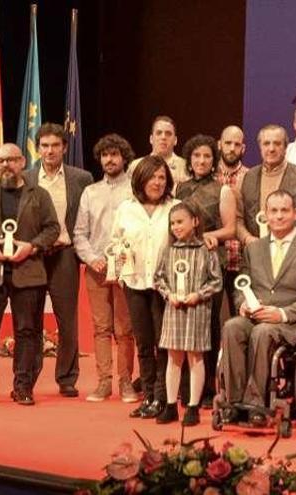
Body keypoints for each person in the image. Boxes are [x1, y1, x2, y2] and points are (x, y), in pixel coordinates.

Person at [0, 143, 60, 406]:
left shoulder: (38, 195)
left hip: (28, 273)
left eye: (12, 160)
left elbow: (52, 228)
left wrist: (32, 246)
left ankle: (23, 386)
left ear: (22, 162)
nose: (6, 165)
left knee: (27, 331)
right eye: (1, 160)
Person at [220, 190, 296, 426]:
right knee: (231, 327)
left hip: (290, 324)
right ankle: (234, 403)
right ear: (265, 215)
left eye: (284, 211)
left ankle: (257, 405)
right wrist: (243, 306)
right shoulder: (253, 248)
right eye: (274, 211)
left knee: (263, 332)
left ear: (295, 214)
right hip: (255, 316)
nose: (279, 216)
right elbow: (241, 286)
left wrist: (282, 314)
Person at [25, 123, 94, 398]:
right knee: (30, 319)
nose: (50, 150)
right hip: (33, 256)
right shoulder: (27, 178)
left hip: (65, 254)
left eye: (55, 145)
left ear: (64, 147)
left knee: (67, 321)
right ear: (37, 148)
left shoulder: (82, 178)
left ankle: (66, 378)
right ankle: (27, 376)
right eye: (44, 145)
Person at [73, 133, 140, 403]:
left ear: (124, 157)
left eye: (114, 154)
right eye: (105, 155)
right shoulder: (90, 192)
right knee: (101, 328)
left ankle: (126, 383)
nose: (109, 159)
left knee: (125, 329)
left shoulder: (135, 190)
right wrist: (92, 259)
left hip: (127, 270)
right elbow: (79, 233)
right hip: (97, 268)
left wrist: (128, 260)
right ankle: (103, 382)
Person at [111, 155, 180, 418]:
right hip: (135, 282)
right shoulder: (125, 209)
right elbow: (115, 243)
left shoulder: (176, 207)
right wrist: (118, 268)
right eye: (153, 176)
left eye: (162, 177)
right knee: (143, 342)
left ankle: (164, 398)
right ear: (141, 179)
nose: (158, 182)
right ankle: (148, 395)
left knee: (164, 345)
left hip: (166, 288)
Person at [175, 134, 237, 405]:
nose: (201, 161)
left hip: (211, 264)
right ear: (189, 159)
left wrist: (203, 235)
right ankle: (184, 389)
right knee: (182, 326)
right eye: (197, 156)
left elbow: (231, 229)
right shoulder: (179, 189)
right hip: (182, 266)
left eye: (207, 156)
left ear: (214, 161)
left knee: (209, 327)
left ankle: (208, 388)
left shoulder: (222, 189)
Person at [153, 203, 223, 425]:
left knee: (195, 357)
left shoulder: (206, 250)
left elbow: (216, 281)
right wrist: (168, 294)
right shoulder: (168, 250)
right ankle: (171, 405)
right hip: (174, 309)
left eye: (180, 221)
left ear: (195, 221)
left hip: (197, 310)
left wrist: (198, 295)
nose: (175, 227)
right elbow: (158, 278)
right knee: (173, 358)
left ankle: (192, 405)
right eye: (172, 223)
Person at [237, 125, 296, 247]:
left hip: (291, 252)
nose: (271, 148)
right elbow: (238, 218)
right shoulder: (248, 177)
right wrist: (247, 239)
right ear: (260, 147)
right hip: (254, 252)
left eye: (277, 144)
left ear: (285, 148)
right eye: (266, 143)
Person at [215, 125, 248, 313]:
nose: (231, 148)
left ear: (243, 148)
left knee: (240, 314)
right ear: (219, 144)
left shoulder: (251, 176)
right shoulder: (209, 175)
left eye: (237, 144)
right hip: (215, 257)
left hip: (241, 257)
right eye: (227, 143)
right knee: (212, 317)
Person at [128, 115, 189, 189]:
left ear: (175, 140)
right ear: (151, 139)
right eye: (159, 133)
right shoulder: (136, 166)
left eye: (168, 134)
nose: (163, 137)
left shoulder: (185, 167)